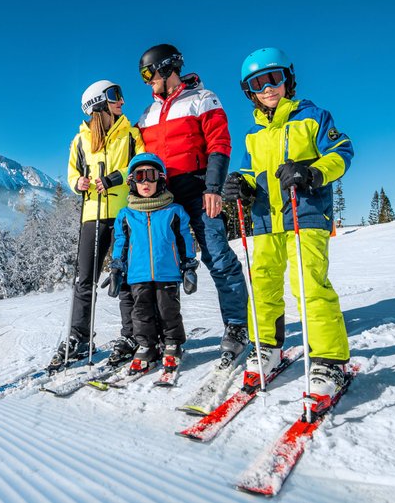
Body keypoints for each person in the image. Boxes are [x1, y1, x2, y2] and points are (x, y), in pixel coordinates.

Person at [223, 47, 354, 409]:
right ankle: (267, 348)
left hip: (305, 213)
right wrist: (243, 184)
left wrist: (313, 172)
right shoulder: (253, 133)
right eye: (257, 82)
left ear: (288, 80)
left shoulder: (313, 116)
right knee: (262, 285)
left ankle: (329, 360)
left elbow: (342, 151)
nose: (268, 88)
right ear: (249, 90)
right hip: (265, 219)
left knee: (309, 285)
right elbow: (252, 172)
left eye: (274, 78)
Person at [135, 44, 249, 362]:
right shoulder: (146, 115)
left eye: (148, 73)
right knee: (161, 265)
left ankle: (237, 326)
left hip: (199, 190)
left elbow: (219, 143)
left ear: (167, 68)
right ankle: (163, 335)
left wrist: (213, 187)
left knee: (217, 255)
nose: (146, 81)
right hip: (164, 199)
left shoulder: (202, 99)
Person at [50, 80, 145, 370]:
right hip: (92, 214)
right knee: (84, 279)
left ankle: (131, 335)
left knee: (125, 275)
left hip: (124, 212)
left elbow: (141, 164)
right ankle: (79, 337)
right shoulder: (80, 141)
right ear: (98, 104)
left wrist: (115, 179)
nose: (122, 101)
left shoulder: (131, 134)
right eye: (116, 96)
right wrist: (77, 183)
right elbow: (72, 173)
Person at [108, 153, 198, 373]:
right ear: (132, 182)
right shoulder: (126, 214)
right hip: (137, 274)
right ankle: (146, 345)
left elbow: (184, 239)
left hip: (167, 272)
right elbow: (121, 242)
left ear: (161, 178)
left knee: (168, 310)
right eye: (139, 176)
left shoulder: (173, 211)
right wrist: (116, 267)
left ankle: (172, 343)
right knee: (141, 312)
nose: (145, 182)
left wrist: (188, 266)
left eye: (150, 175)